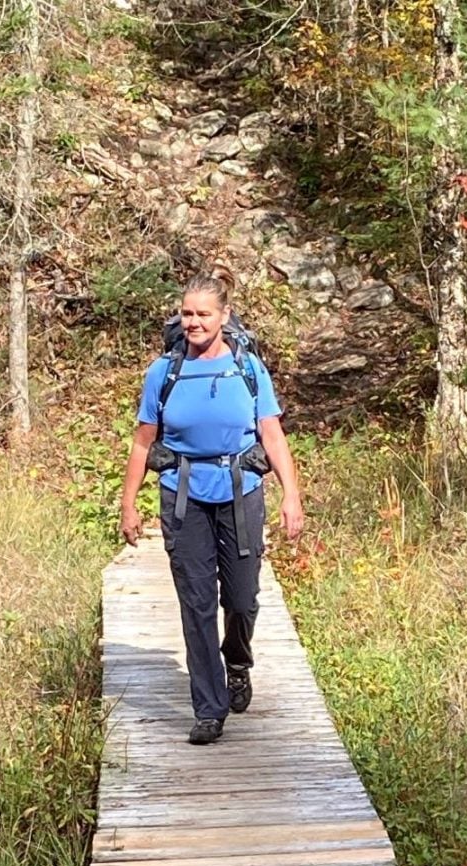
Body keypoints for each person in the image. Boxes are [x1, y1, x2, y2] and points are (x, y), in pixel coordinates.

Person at [120, 266, 304, 745]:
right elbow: (143, 443)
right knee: (196, 603)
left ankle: (237, 662)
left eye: (203, 314)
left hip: (240, 490)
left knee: (241, 598)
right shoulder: (164, 371)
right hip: (183, 496)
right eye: (186, 314)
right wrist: (128, 504)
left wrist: (291, 495)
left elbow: (272, 434)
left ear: (224, 316)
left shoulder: (247, 368)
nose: (193, 322)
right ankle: (209, 707)